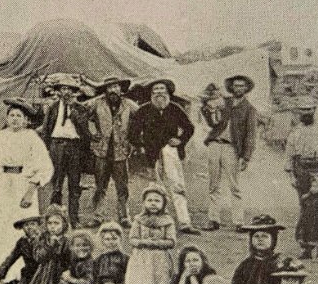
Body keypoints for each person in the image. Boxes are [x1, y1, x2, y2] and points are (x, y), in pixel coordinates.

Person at [0, 99, 53, 284]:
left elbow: (44, 166)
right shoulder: (0, 137)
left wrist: (30, 190)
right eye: (12, 115)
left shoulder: (32, 137)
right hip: (3, 185)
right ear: (7, 118)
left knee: (22, 228)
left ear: (26, 120)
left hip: (24, 185)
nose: (15, 119)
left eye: (19, 116)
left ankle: (20, 275)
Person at [129, 79, 199, 234]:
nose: (159, 92)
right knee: (154, 188)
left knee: (177, 186)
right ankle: (154, 222)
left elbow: (189, 128)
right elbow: (132, 133)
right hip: (151, 153)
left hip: (170, 151)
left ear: (168, 93)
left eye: (162, 89)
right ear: (151, 93)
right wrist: (142, 145)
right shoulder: (143, 110)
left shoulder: (175, 109)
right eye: (156, 89)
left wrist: (180, 140)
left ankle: (184, 222)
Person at [203, 75, 259, 231]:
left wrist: (246, 157)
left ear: (246, 88)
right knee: (213, 184)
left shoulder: (249, 109)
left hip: (231, 148)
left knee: (234, 185)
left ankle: (239, 221)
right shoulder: (223, 102)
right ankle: (213, 219)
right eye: (236, 85)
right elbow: (212, 122)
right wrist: (207, 109)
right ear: (232, 87)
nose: (238, 88)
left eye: (242, 86)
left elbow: (250, 135)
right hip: (215, 144)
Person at [125, 183, 177, 284]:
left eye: (157, 200)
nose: (153, 204)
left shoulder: (168, 221)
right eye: (150, 200)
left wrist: (151, 243)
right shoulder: (139, 220)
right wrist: (144, 243)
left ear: (163, 203)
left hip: (160, 260)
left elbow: (171, 241)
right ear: (144, 203)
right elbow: (133, 239)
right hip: (143, 260)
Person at [86, 77, 138, 229]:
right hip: (101, 151)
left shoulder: (129, 105)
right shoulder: (97, 103)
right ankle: (97, 216)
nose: (113, 90)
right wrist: (92, 132)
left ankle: (124, 216)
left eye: (116, 87)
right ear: (106, 90)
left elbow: (141, 116)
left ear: (121, 89)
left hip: (120, 152)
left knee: (122, 187)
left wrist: (132, 138)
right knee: (100, 185)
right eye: (109, 87)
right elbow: (84, 115)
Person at [40, 76, 90, 226]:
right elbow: (46, 130)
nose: (66, 92)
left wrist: (73, 112)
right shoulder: (53, 107)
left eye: (69, 89)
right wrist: (46, 150)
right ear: (59, 91)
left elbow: (85, 131)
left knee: (74, 185)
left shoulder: (81, 108)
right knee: (56, 184)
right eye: (63, 88)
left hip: (74, 147)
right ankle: (54, 218)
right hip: (57, 146)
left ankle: (74, 219)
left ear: (73, 92)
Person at [284, 98, 318, 258]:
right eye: (303, 110)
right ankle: (306, 247)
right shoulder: (296, 131)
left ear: (314, 110)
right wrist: (291, 175)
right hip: (301, 170)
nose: (306, 113)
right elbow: (289, 155)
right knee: (305, 206)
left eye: (309, 110)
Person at [23, 204, 71, 284]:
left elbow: (69, 258)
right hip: (44, 271)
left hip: (59, 270)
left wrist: (68, 269)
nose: (53, 227)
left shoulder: (66, 240)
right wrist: (50, 245)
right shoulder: (43, 238)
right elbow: (38, 257)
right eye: (50, 223)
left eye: (56, 223)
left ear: (63, 224)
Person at [0, 214, 42, 284]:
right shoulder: (22, 242)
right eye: (26, 225)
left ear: (38, 225)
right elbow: (10, 259)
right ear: (22, 228)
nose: (29, 227)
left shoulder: (45, 239)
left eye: (32, 224)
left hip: (43, 274)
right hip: (29, 273)